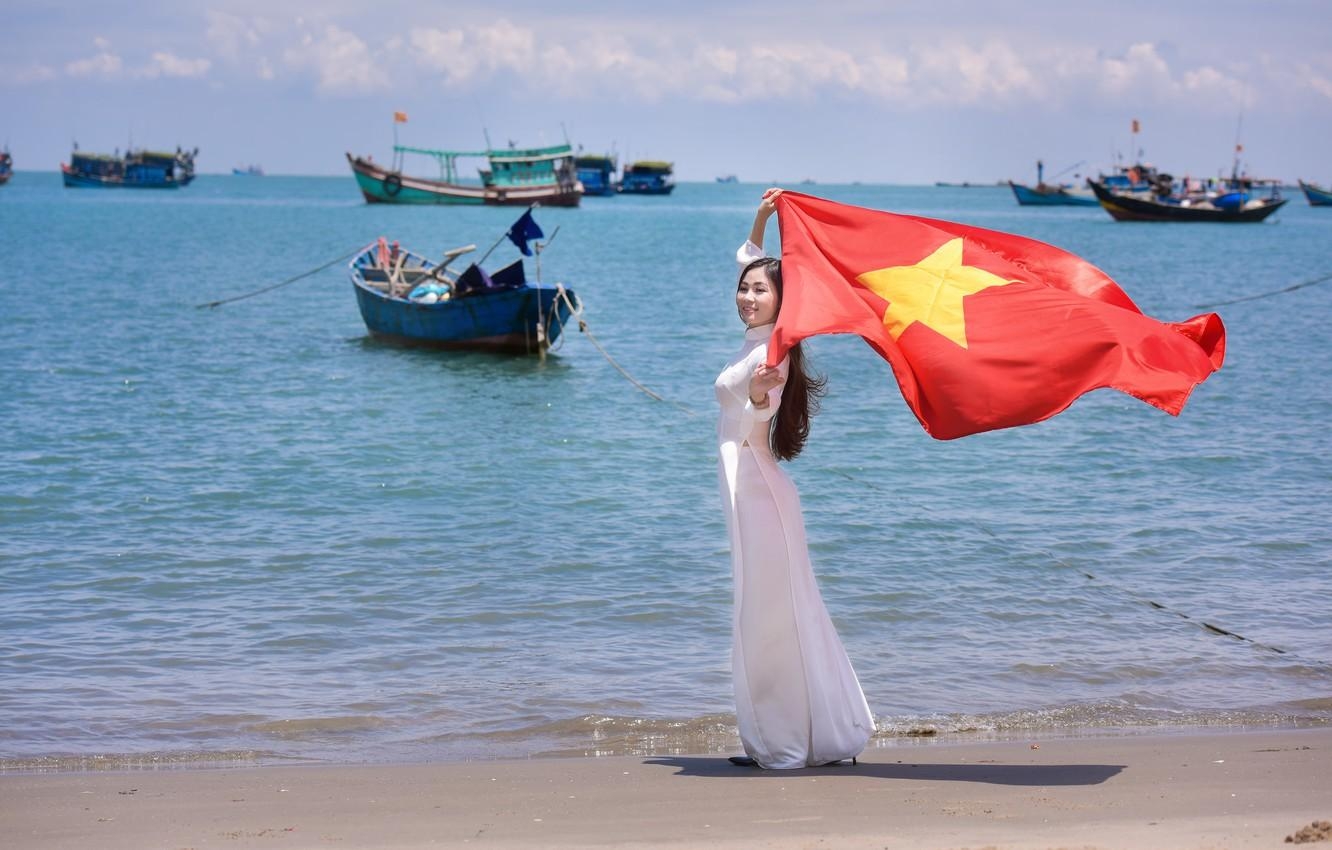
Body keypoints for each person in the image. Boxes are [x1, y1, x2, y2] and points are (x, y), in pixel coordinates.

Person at [714, 188, 876, 769]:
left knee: (772, 619)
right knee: (762, 614)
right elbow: (754, 259)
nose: (746, 296)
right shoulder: (761, 336)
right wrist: (764, 216)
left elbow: (762, 403)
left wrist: (760, 397)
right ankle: (777, 737)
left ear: (785, 303)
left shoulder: (771, 358)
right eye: (744, 288)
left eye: (760, 291)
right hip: (748, 492)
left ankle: (785, 746)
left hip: (760, 493)